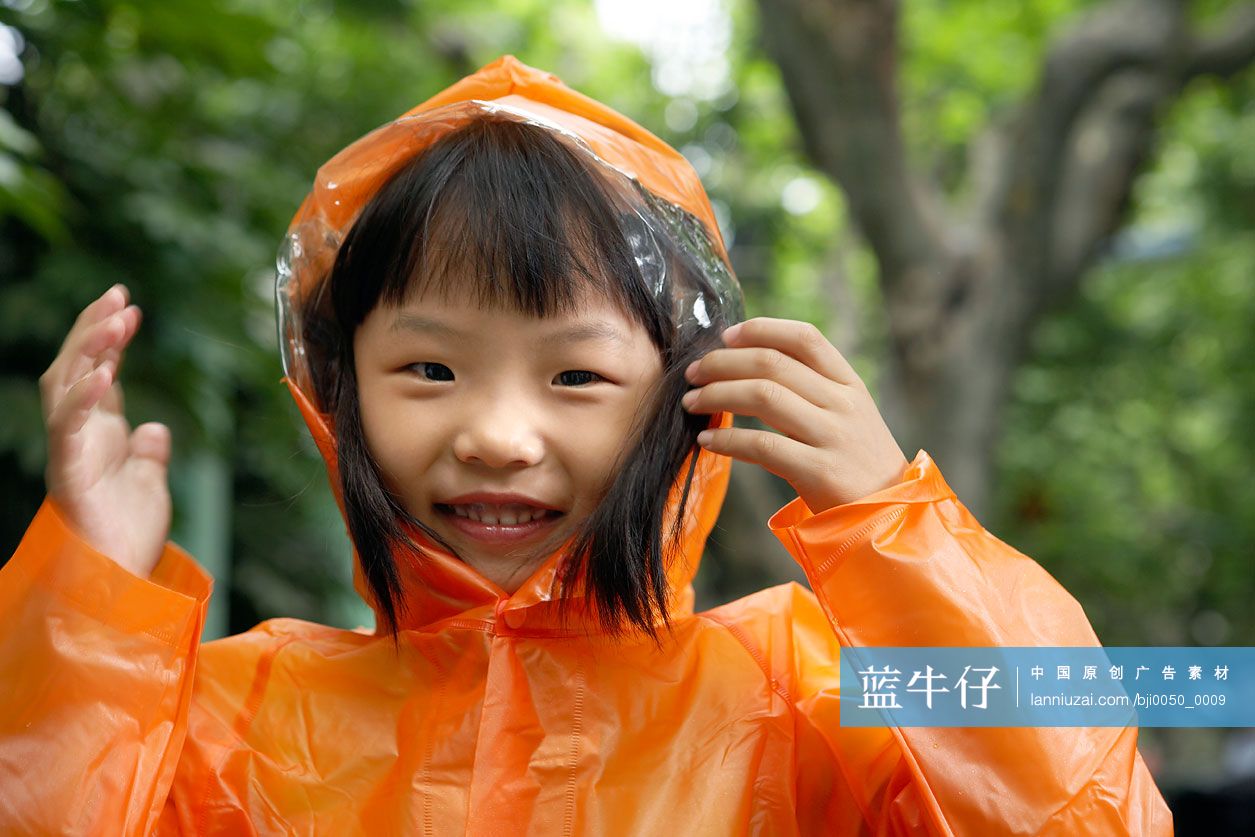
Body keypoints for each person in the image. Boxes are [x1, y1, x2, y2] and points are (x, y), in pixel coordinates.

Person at [0, 55, 1171, 835]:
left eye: (576, 376)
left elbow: (1076, 814)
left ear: (684, 396)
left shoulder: (798, 692)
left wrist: (894, 535)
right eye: (429, 370)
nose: (497, 436)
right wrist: (89, 597)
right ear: (335, 392)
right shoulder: (232, 714)